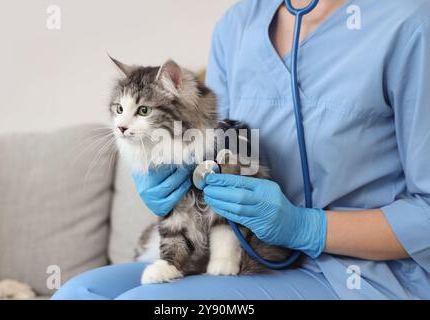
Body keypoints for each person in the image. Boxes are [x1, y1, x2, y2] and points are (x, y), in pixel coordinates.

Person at [53, 0, 430, 299]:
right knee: (78, 293)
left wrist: (305, 228)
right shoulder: (237, 25)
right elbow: (215, 146)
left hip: (358, 275)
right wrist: (169, 175)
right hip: (239, 255)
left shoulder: (411, 24)